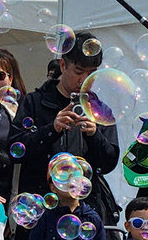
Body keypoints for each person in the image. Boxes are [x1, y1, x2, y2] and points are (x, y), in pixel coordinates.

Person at [8, 31, 120, 229]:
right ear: (62, 65)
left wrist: (95, 136)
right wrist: (52, 129)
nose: (85, 79)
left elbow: (109, 162)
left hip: (85, 210)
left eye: (91, 73)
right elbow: (16, 149)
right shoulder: (35, 102)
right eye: (79, 71)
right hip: (40, 210)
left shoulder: (101, 110)